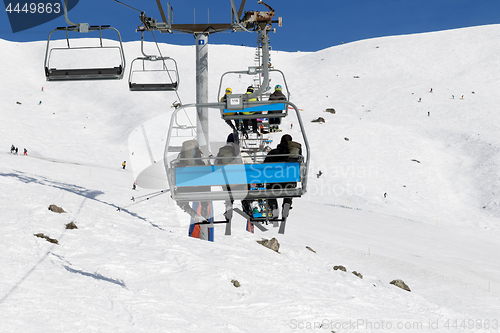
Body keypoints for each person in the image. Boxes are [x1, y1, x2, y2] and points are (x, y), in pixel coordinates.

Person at [263, 134, 299, 218]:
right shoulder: (294, 155)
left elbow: (264, 167)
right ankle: (287, 203)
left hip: (274, 185)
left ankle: (273, 207)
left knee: (269, 193)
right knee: (290, 188)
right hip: (289, 184)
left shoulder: (273, 153)